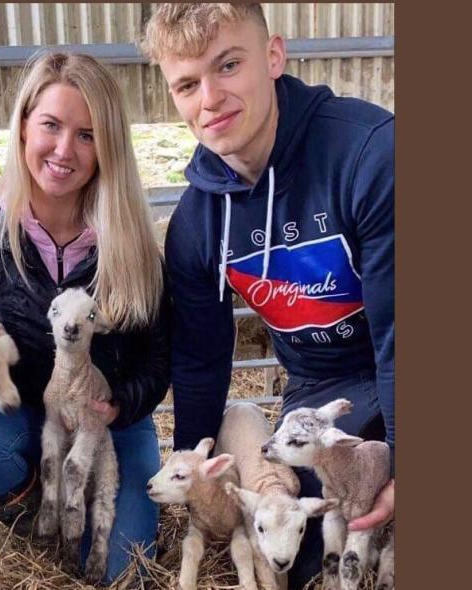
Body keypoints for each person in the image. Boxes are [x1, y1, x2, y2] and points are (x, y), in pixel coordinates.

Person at [141, 4, 394, 588]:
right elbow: (203, 360)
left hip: (394, 364)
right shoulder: (197, 225)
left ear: (273, 56)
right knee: (300, 551)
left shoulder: (369, 154)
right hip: (319, 393)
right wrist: (196, 472)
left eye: (228, 65)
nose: (210, 98)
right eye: (186, 84)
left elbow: (403, 334)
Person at [0, 51, 171, 585]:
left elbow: (159, 355)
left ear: (108, 148)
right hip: (30, 414)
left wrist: (121, 402)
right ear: (25, 125)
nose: (63, 149)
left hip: (109, 426)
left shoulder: (131, 245)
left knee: (123, 573)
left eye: (87, 135)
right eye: (51, 125)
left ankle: (101, 525)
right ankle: (33, 516)